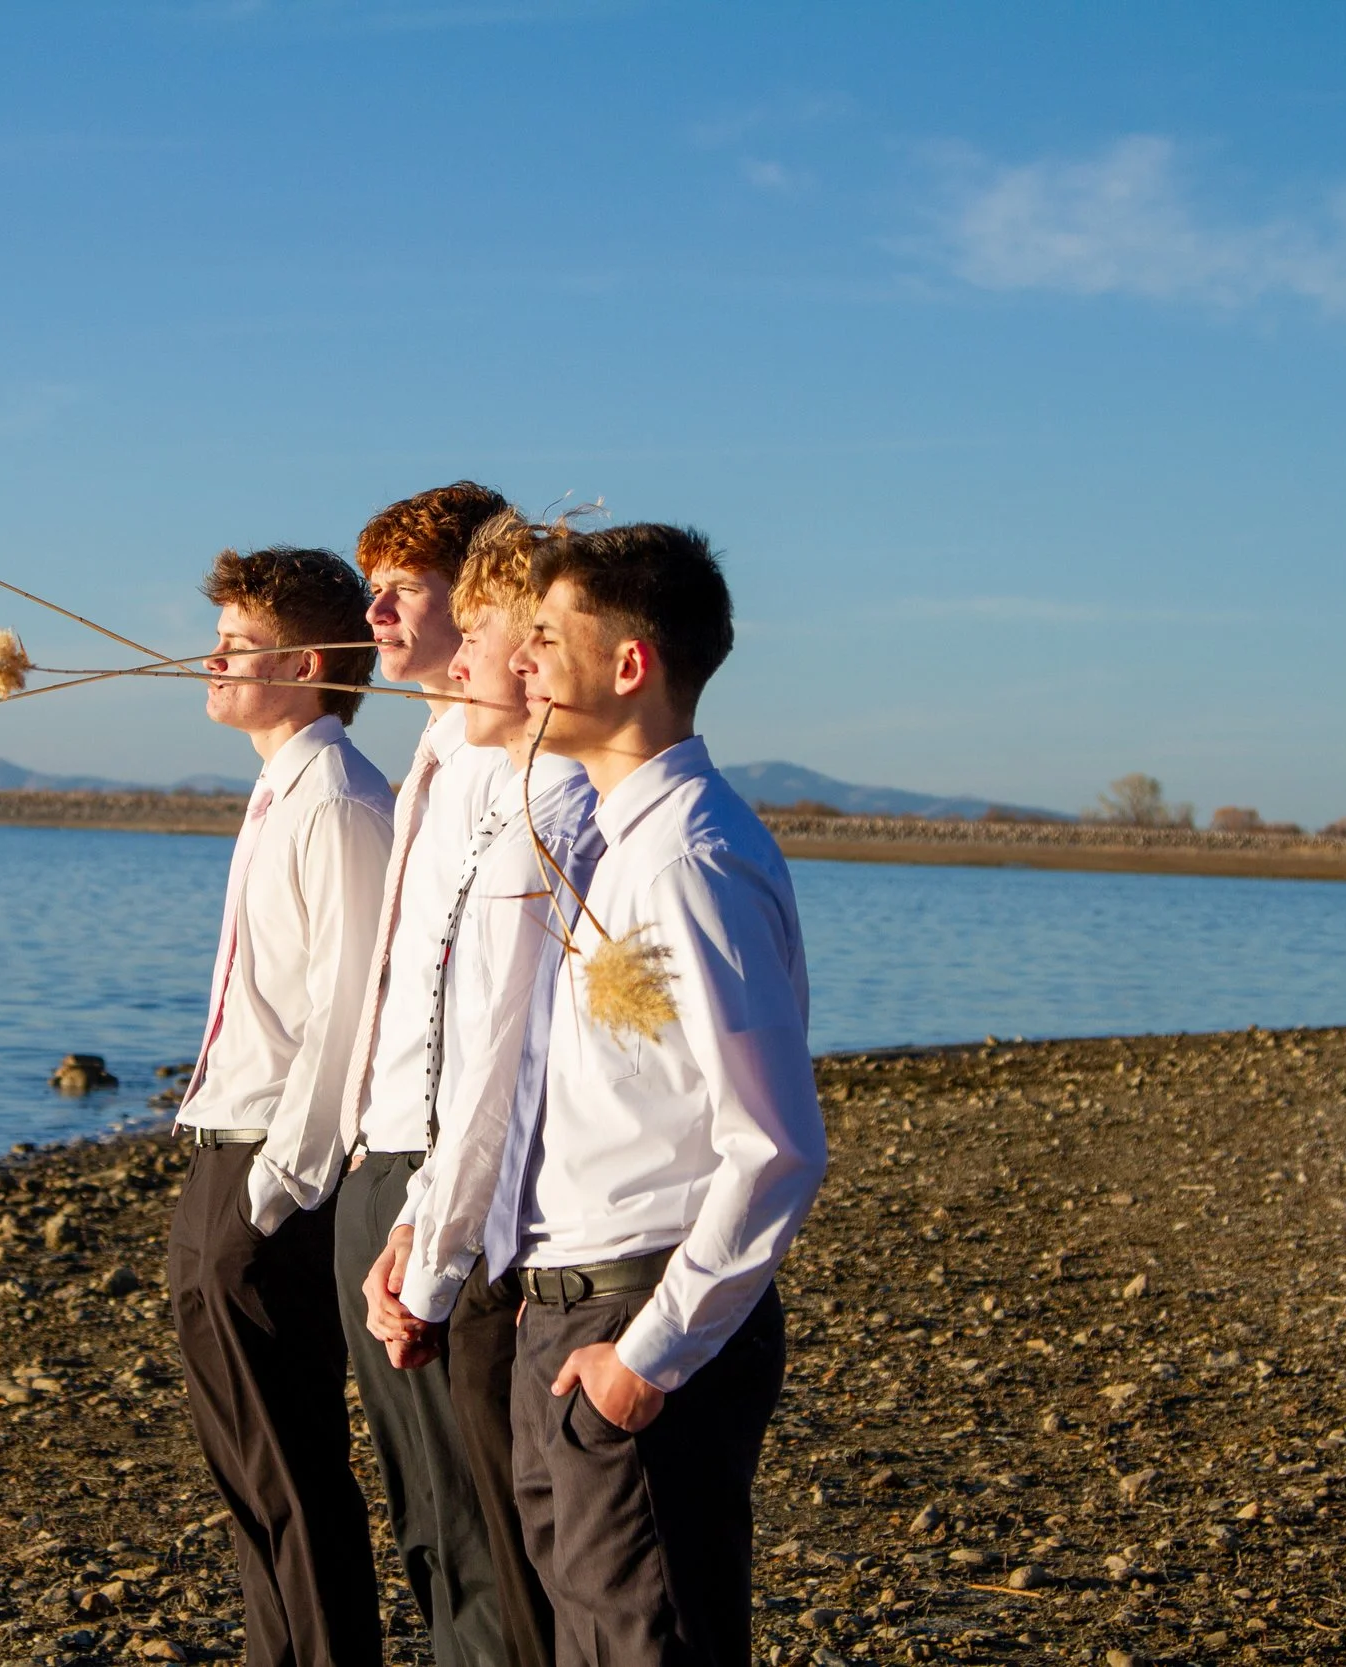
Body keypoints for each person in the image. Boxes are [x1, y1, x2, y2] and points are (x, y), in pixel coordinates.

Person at [504, 523, 827, 1667]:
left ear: (630, 664)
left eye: (545, 635)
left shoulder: (692, 856)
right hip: (567, 1313)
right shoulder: (611, 840)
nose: (522, 660)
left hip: (640, 1316)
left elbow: (778, 1144)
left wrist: (643, 1362)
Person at [359, 509, 599, 1667]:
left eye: (477, 621)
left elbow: (501, 1067)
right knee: (461, 1531)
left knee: (516, 1554)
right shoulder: (482, 778)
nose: (448, 649)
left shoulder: (555, 822)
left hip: (516, 1240)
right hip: (430, 1187)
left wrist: (437, 1250)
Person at [168, 545, 395, 1667]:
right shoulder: (280, 787)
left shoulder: (342, 799)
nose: (209, 658)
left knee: (289, 1464)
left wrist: (272, 1191)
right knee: (244, 1465)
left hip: (268, 1171)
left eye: (237, 643)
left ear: (308, 662)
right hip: (223, 1153)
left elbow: (347, 1018)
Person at [330, 481, 517, 1667]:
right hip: (379, 1152)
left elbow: (492, 1021)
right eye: (371, 587)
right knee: (423, 1521)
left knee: (473, 1519)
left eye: (404, 586)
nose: (376, 611)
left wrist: (430, 1214)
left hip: (439, 1174)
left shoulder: (511, 769)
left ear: (481, 594)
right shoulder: (432, 752)